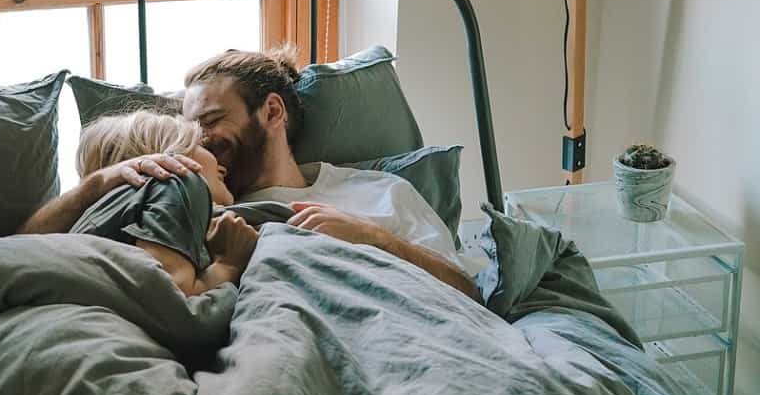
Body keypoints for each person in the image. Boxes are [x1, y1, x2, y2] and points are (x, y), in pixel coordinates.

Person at [181, 46, 480, 301]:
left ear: (272, 112)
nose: (198, 139)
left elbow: (469, 293)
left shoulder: (381, 192)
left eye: (211, 120)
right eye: (190, 129)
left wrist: (375, 238)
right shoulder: (196, 206)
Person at [27, 110, 257, 298]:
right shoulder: (176, 184)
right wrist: (229, 265)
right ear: (165, 154)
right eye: (202, 147)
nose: (222, 167)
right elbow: (174, 303)